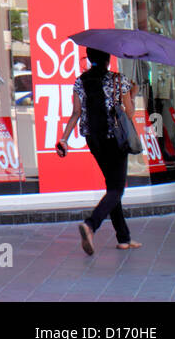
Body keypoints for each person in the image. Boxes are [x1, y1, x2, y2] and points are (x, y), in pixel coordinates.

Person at [57, 47, 141, 253]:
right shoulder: (118, 80)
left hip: (93, 139)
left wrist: (64, 139)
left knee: (112, 186)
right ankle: (90, 225)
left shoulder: (80, 81)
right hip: (115, 139)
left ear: (90, 59)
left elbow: (76, 112)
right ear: (108, 59)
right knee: (116, 189)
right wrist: (133, 94)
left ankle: (124, 237)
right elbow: (129, 113)